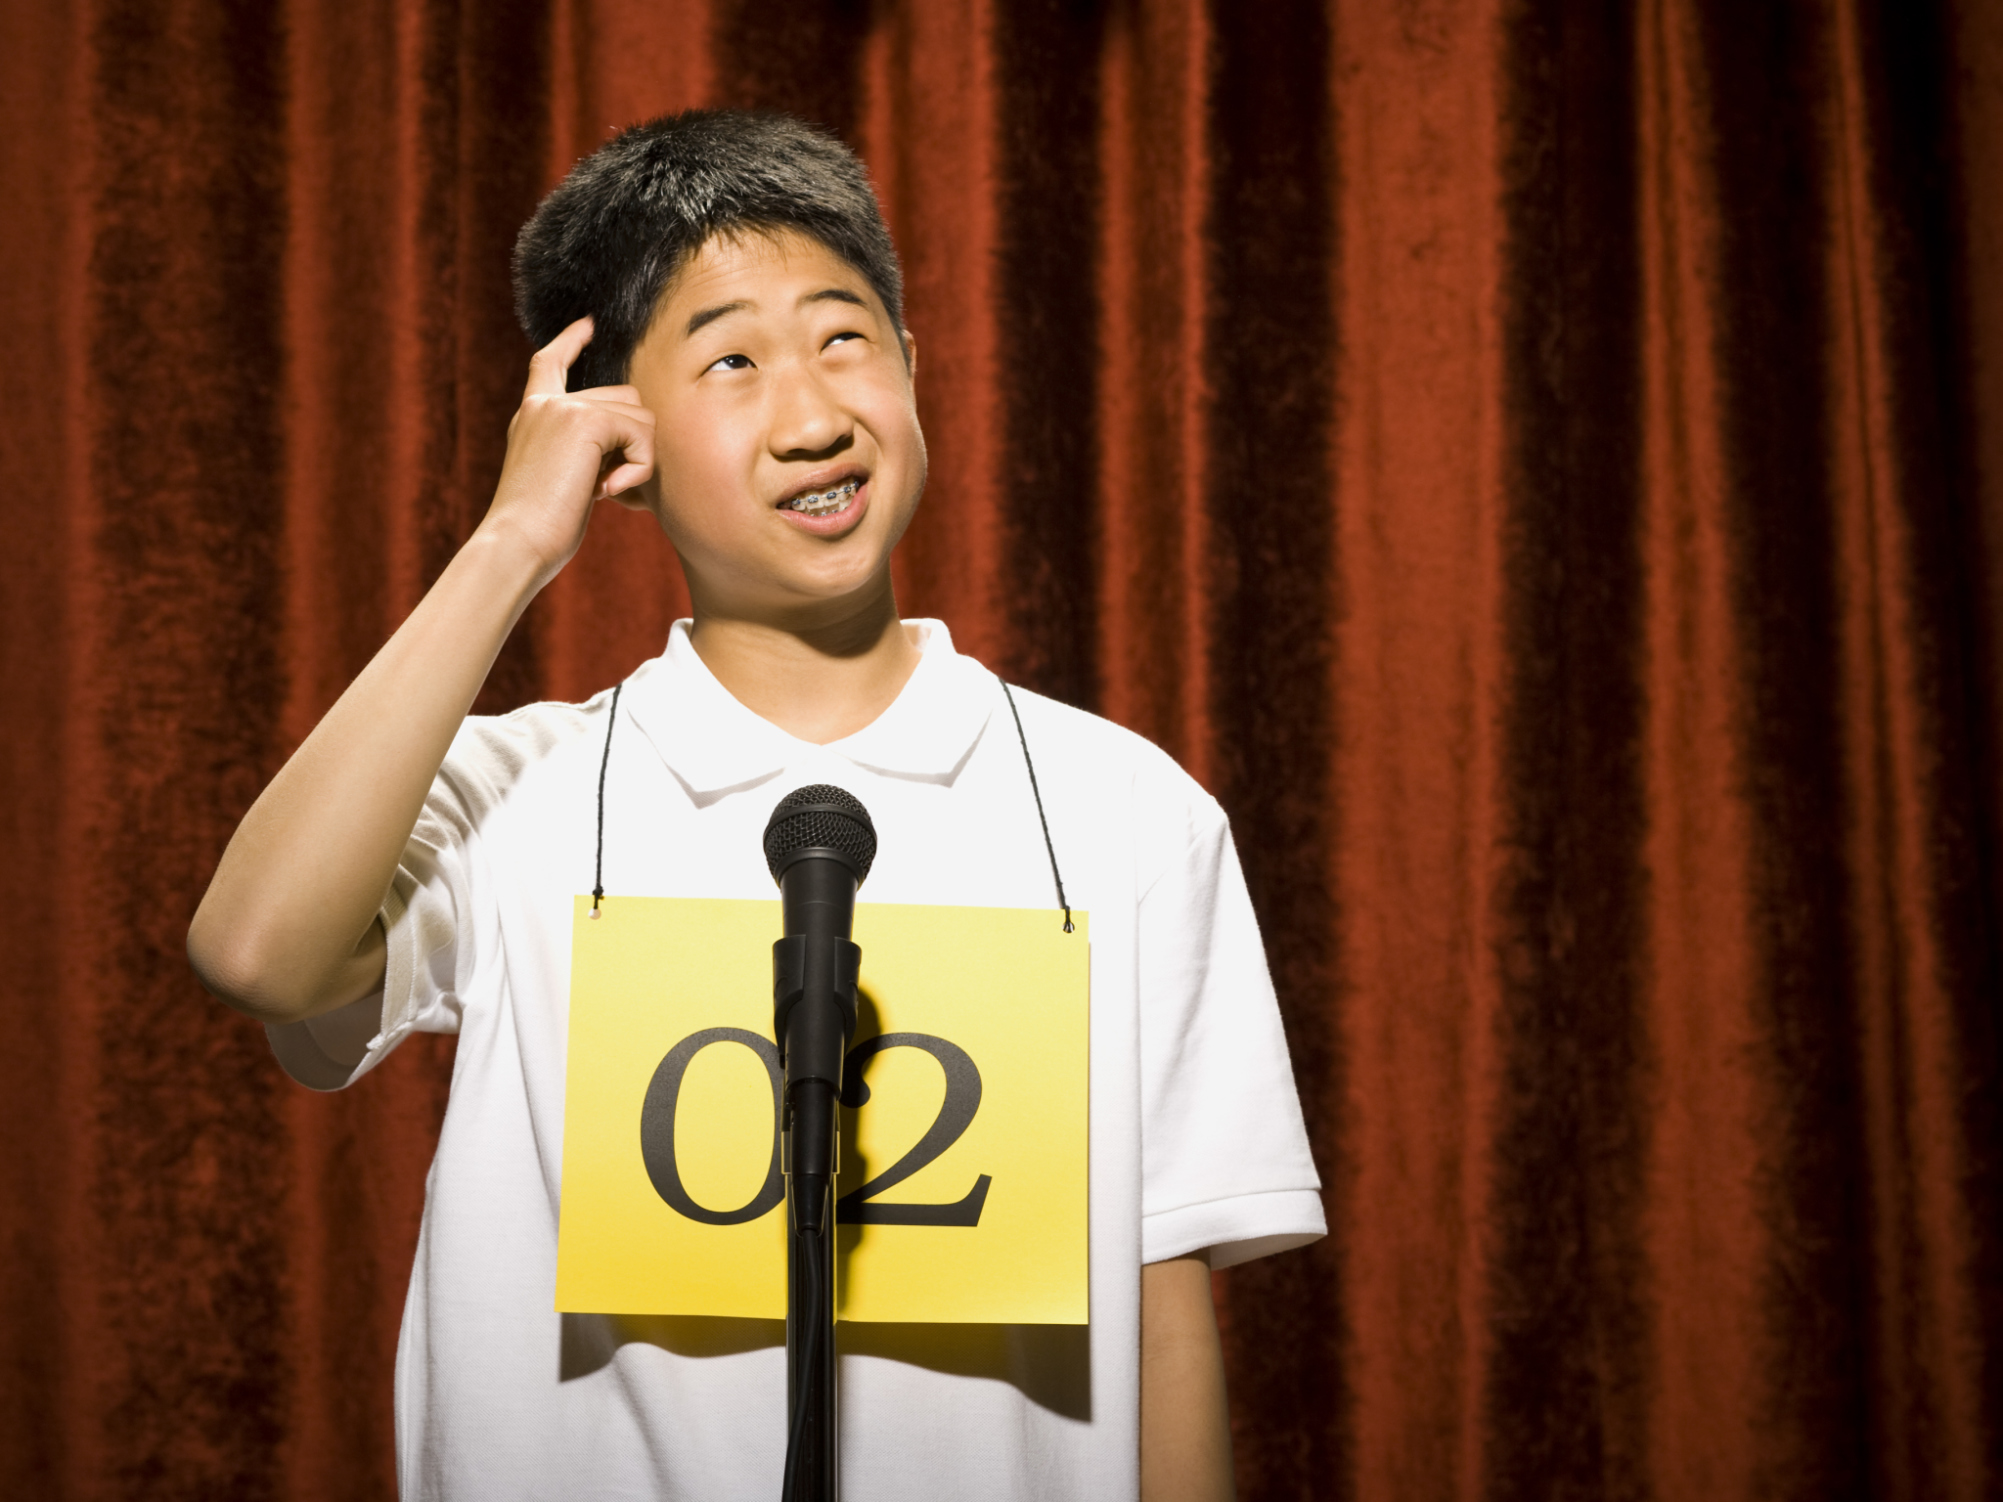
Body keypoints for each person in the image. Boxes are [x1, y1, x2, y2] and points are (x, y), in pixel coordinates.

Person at [188, 109, 1322, 1501]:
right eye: (729, 358)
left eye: (845, 336)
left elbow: (1162, 1301)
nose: (812, 414)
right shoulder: (522, 791)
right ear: (618, 433)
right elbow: (256, 952)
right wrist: (510, 541)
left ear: (913, 365)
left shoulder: (1127, 810)